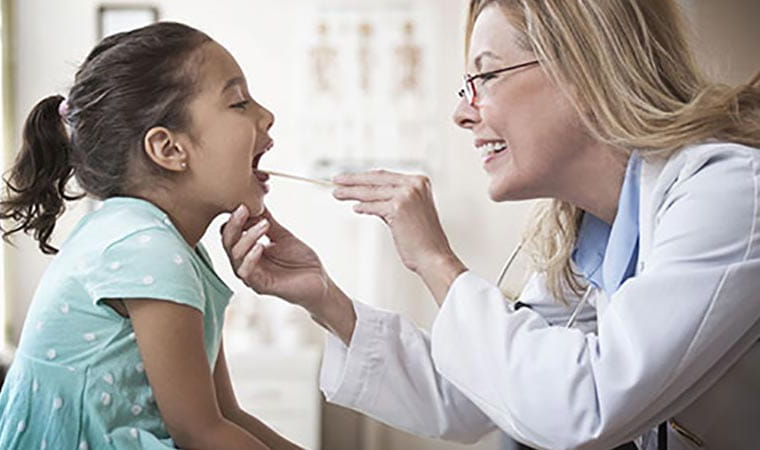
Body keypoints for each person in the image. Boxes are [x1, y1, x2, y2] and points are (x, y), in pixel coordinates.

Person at [222, 0, 760, 449]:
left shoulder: (729, 190)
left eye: (485, 76)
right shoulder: (591, 231)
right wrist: (324, 299)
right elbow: (484, 393)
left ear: (585, 68)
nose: (462, 112)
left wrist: (436, 260)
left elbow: (585, 406)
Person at [0, 22, 300, 450]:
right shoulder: (144, 247)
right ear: (169, 149)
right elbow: (202, 434)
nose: (266, 115)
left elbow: (226, 416)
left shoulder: (174, 248)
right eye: (239, 102)